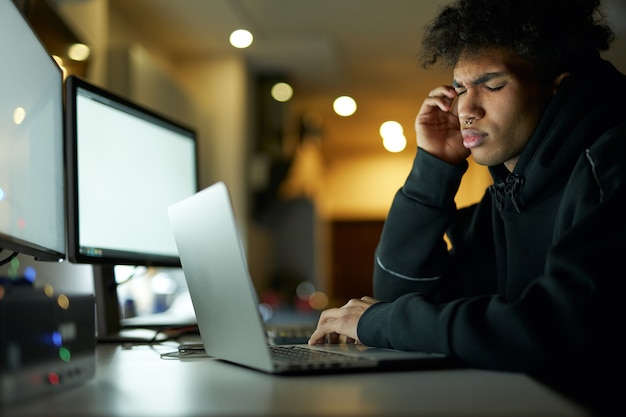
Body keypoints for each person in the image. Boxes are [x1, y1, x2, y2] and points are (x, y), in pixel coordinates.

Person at [308, 0, 625, 413]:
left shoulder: (611, 163)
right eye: (460, 88)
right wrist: (433, 169)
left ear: (557, 87)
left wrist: (381, 322)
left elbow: (556, 330)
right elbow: (402, 293)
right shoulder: (508, 196)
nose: (466, 110)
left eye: (492, 86)